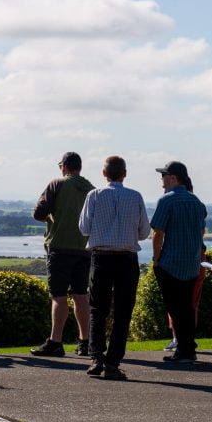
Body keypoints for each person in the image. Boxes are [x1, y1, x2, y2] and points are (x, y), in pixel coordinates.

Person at [77, 155, 150, 381]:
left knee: (98, 309)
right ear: (124, 173)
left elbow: (84, 228)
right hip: (127, 258)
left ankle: (96, 357)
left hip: (101, 257)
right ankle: (113, 361)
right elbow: (144, 232)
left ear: (104, 173)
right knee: (123, 312)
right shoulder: (135, 196)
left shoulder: (94, 195)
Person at [30, 152, 94, 357]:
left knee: (58, 296)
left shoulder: (57, 184)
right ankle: (85, 342)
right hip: (84, 248)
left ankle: (55, 342)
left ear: (64, 167)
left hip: (59, 246)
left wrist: (52, 218)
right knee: (81, 295)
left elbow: (38, 213)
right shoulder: (91, 189)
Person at [150, 161, 208, 364]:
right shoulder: (197, 202)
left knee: (175, 308)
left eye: (164, 176)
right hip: (192, 264)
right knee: (187, 307)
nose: (161, 180)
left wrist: (156, 259)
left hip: (170, 263)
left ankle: (184, 350)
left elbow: (157, 234)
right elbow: (201, 232)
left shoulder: (166, 201)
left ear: (173, 178)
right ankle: (188, 349)